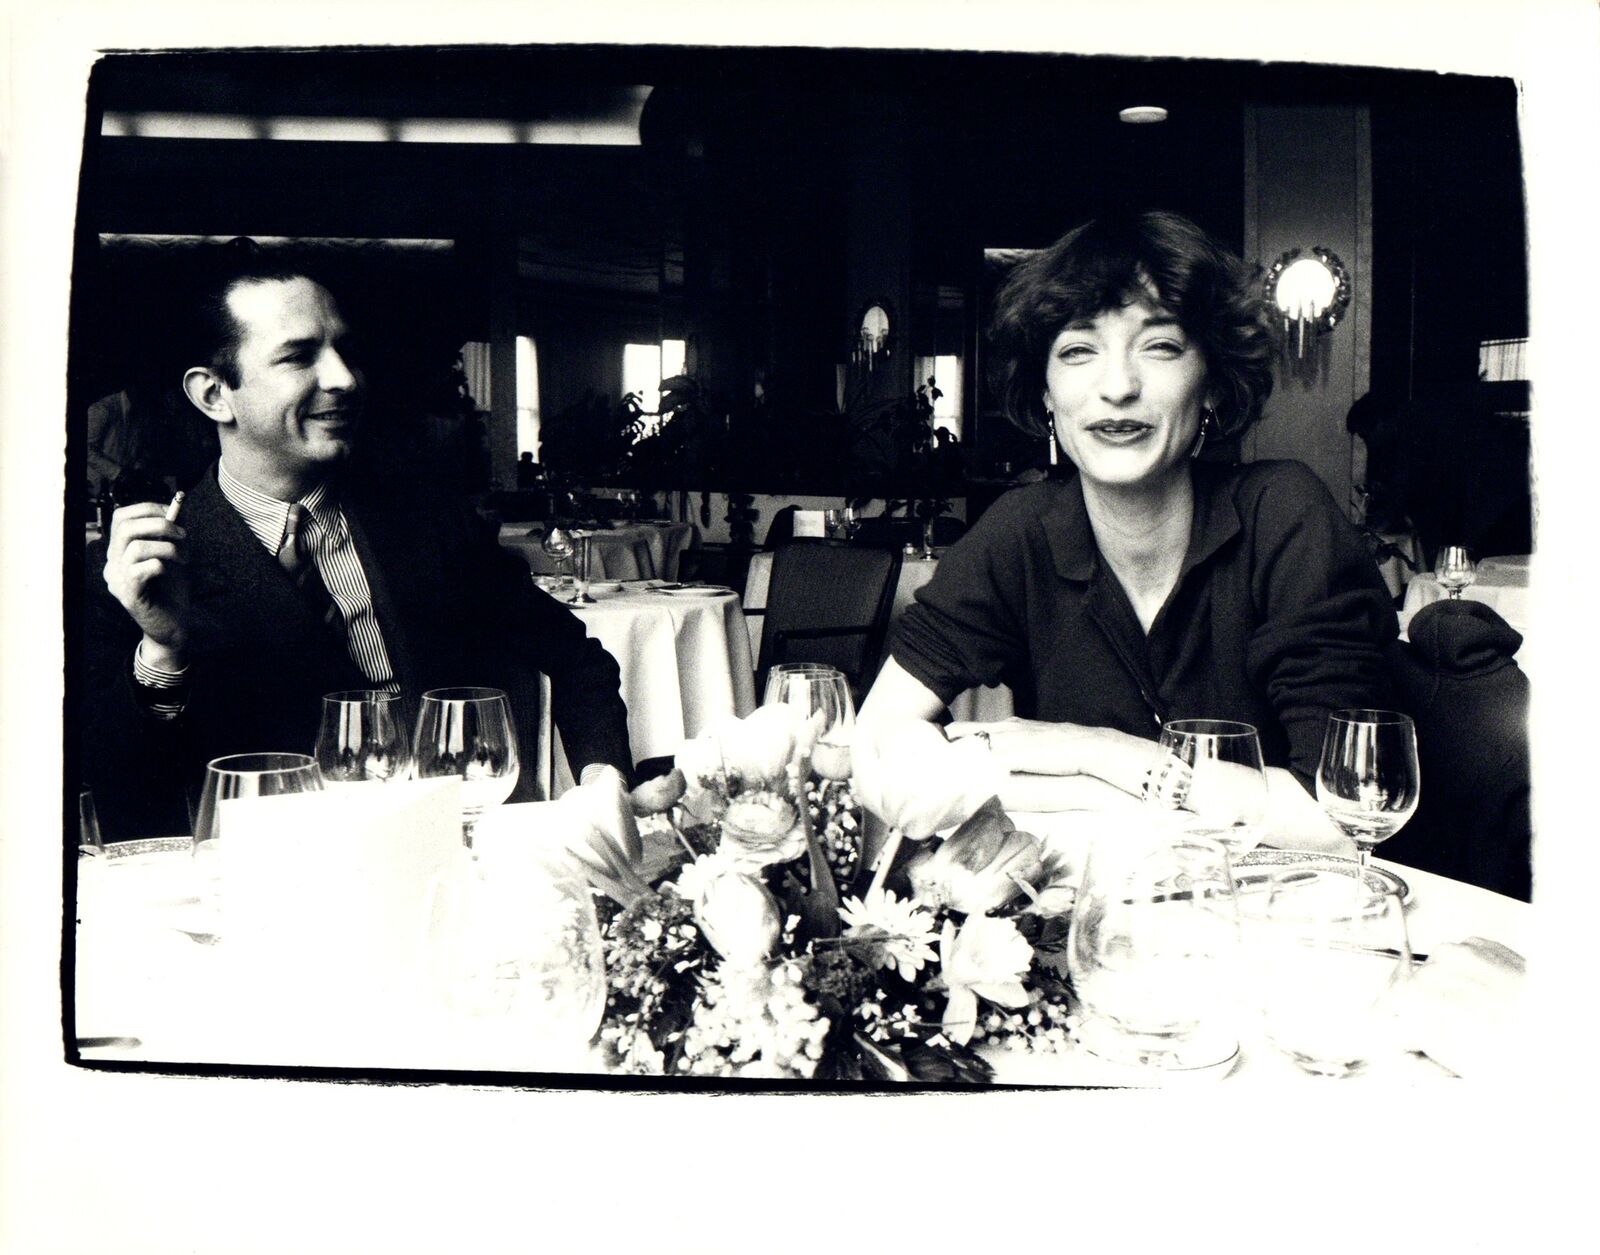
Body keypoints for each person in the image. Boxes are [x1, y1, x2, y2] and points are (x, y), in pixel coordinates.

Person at [861, 211, 1397, 845]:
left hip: (1285, 918)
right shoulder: (1021, 531)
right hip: (1096, 917)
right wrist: (1088, 782)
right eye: (1079, 351)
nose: (1118, 387)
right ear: (1045, 394)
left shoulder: (1285, 516)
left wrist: (1098, 752)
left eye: (1161, 345)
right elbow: (876, 753)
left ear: (1214, 386)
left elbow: (1343, 814)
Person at [82, 243, 633, 839]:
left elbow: (578, 663)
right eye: (298, 357)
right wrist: (162, 655)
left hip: (454, 858)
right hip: (273, 888)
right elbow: (115, 788)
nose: (344, 378)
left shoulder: (430, 522)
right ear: (215, 394)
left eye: (343, 350)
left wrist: (604, 797)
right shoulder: (143, 569)